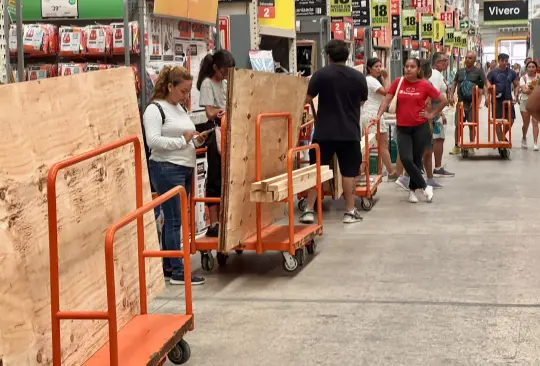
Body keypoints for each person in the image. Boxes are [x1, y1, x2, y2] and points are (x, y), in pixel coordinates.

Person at [143, 66, 208, 286]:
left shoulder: (179, 108)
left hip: (182, 168)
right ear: (169, 86)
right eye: (183, 91)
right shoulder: (154, 110)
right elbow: (153, 141)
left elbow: (185, 135)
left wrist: (196, 140)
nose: (186, 96)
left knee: (174, 220)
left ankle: (170, 266)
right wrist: (183, 141)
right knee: (173, 221)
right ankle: (179, 271)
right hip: (166, 169)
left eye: (189, 91)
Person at [300, 40, 368, 224]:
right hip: (349, 132)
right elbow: (362, 102)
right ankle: (349, 211)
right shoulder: (358, 77)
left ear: (328, 56)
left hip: (324, 132)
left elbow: (306, 99)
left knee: (317, 171)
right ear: (347, 56)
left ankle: (308, 210)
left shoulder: (320, 75)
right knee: (348, 173)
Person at [375, 58, 448, 203]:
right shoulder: (398, 82)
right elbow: (387, 99)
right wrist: (378, 115)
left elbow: (443, 100)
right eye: (406, 66)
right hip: (403, 127)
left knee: (416, 160)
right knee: (406, 158)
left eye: (412, 67)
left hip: (420, 127)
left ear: (419, 69)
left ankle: (413, 192)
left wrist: (431, 114)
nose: (408, 69)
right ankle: (425, 185)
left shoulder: (424, 85)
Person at [196, 50, 236, 237]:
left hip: (229, 130)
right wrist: (220, 111)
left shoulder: (226, 82)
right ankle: (214, 223)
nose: (225, 75)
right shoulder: (207, 84)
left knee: (228, 177)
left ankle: (228, 218)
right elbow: (209, 112)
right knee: (214, 177)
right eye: (223, 71)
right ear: (215, 68)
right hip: (215, 131)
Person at [361, 57, 398, 181]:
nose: (379, 69)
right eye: (376, 66)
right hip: (373, 115)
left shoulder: (372, 80)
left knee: (378, 145)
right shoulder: (371, 80)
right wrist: (387, 77)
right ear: (369, 68)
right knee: (380, 145)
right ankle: (391, 172)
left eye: (380, 66)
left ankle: (388, 171)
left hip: (373, 114)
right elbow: (387, 92)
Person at [449, 51, 487, 156]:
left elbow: (485, 84)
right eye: (466, 57)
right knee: (458, 125)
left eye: (470, 58)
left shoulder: (479, 72)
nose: (467, 59)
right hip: (460, 103)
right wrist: (451, 95)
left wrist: (487, 97)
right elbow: (455, 82)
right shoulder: (460, 71)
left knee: (472, 125)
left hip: (472, 104)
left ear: (474, 60)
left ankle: (471, 145)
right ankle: (457, 145)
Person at [429, 52, 454, 177]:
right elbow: (433, 96)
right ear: (437, 62)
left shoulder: (438, 75)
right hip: (436, 113)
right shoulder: (435, 76)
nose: (446, 63)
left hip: (437, 112)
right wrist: (438, 113)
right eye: (444, 60)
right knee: (438, 139)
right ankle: (437, 167)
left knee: (437, 139)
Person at [486, 53, 519, 142]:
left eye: (506, 61)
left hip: (508, 100)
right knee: (497, 122)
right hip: (496, 101)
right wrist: (487, 97)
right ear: (499, 61)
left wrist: (516, 96)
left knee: (511, 120)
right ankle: (501, 144)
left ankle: (501, 137)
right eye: (502, 61)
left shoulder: (511, 72)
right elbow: (487, 83)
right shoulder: (492, 72)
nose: (504, 63)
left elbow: (516, 85)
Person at [519, 60, 539, 150]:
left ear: (536, 68)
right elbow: (524, 91)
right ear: (526, 68)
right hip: (525, 102)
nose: (531, 68)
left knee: (535, 122)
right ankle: (524, 137)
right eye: (529, 67)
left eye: (533, 67)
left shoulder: (539, 77)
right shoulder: (523, 78)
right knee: (526, 124)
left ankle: (535, 143)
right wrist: (535, 87)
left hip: (536, 102)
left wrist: (530, 89)